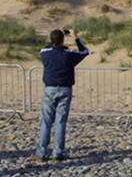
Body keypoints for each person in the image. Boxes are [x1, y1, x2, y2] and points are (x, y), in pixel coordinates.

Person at [32, 28, 89, 161]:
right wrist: (75, 38)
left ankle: (41, 152)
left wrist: (57, 41)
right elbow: (84, 51)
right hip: (65, 89)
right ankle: (58, 152)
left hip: (50, 89)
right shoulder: (68, 55)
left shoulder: (45, 53)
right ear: (62, 40)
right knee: (60, 122)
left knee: (46, 121)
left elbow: (45, 48)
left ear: (51, 40)